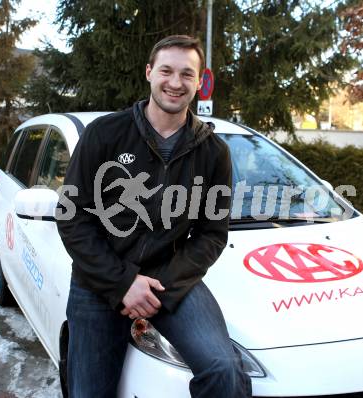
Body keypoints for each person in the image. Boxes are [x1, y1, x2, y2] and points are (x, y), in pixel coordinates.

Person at [56, 35, 252, 398]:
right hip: (97, 282)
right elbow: (72, 217)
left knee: (224, 370)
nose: (175, 83)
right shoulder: (105, 134)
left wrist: (161, 288)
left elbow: (212, 234)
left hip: (169, 279)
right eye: (166, 70)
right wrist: (123, 283)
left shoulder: (214, 152)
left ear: (199, 81)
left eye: (186, 74)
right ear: (149, 73)